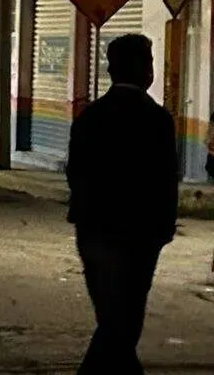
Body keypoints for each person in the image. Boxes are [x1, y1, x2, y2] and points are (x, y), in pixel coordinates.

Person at [66, 33, 178, 375]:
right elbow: (165, 180)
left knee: (113, 317)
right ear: (146, 70)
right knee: (124, 320)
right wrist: (164, 229)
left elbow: (76, 172)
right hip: (139, 237)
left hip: (95, 232)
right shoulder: (157, 119)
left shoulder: (90, 116)